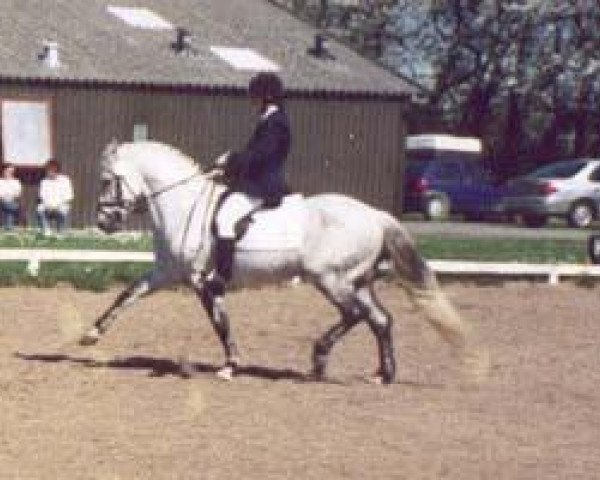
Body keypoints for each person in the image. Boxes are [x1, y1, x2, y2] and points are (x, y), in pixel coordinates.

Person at [211, 72, 291, 289]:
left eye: (254, 96)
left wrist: (230, 159)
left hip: (264, 187)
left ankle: (222, 277)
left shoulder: (276, 123)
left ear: (266, 97)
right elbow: (252, 157)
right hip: (254, 183)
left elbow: (259, 156)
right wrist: (225, 169)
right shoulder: (268, 120)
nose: (251, 101)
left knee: (225, 218)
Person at [37, 159, 74, 236]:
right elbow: (42, 195)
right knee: (40, 209)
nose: (49, 173)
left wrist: (57, 205)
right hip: (48, 205)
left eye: (51, 171)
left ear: (56, 170)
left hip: (61, 204)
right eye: (48, 171)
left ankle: (60, 230)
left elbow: (69, 196)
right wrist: (48, 205)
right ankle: (46, 230)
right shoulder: (44, 181)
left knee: (63, 210)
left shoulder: (65, 180)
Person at [0, 163, 22, 230]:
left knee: (9, 206)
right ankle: (9, 227)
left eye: (11, 172)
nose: (9, 173)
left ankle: (9, 227)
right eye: (8, 171)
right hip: (1, 201)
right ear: (4, 171)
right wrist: (5, 197)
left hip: (12, 201)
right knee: (9, 206)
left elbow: (17, 193)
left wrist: (9, 196)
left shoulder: (16, 182)